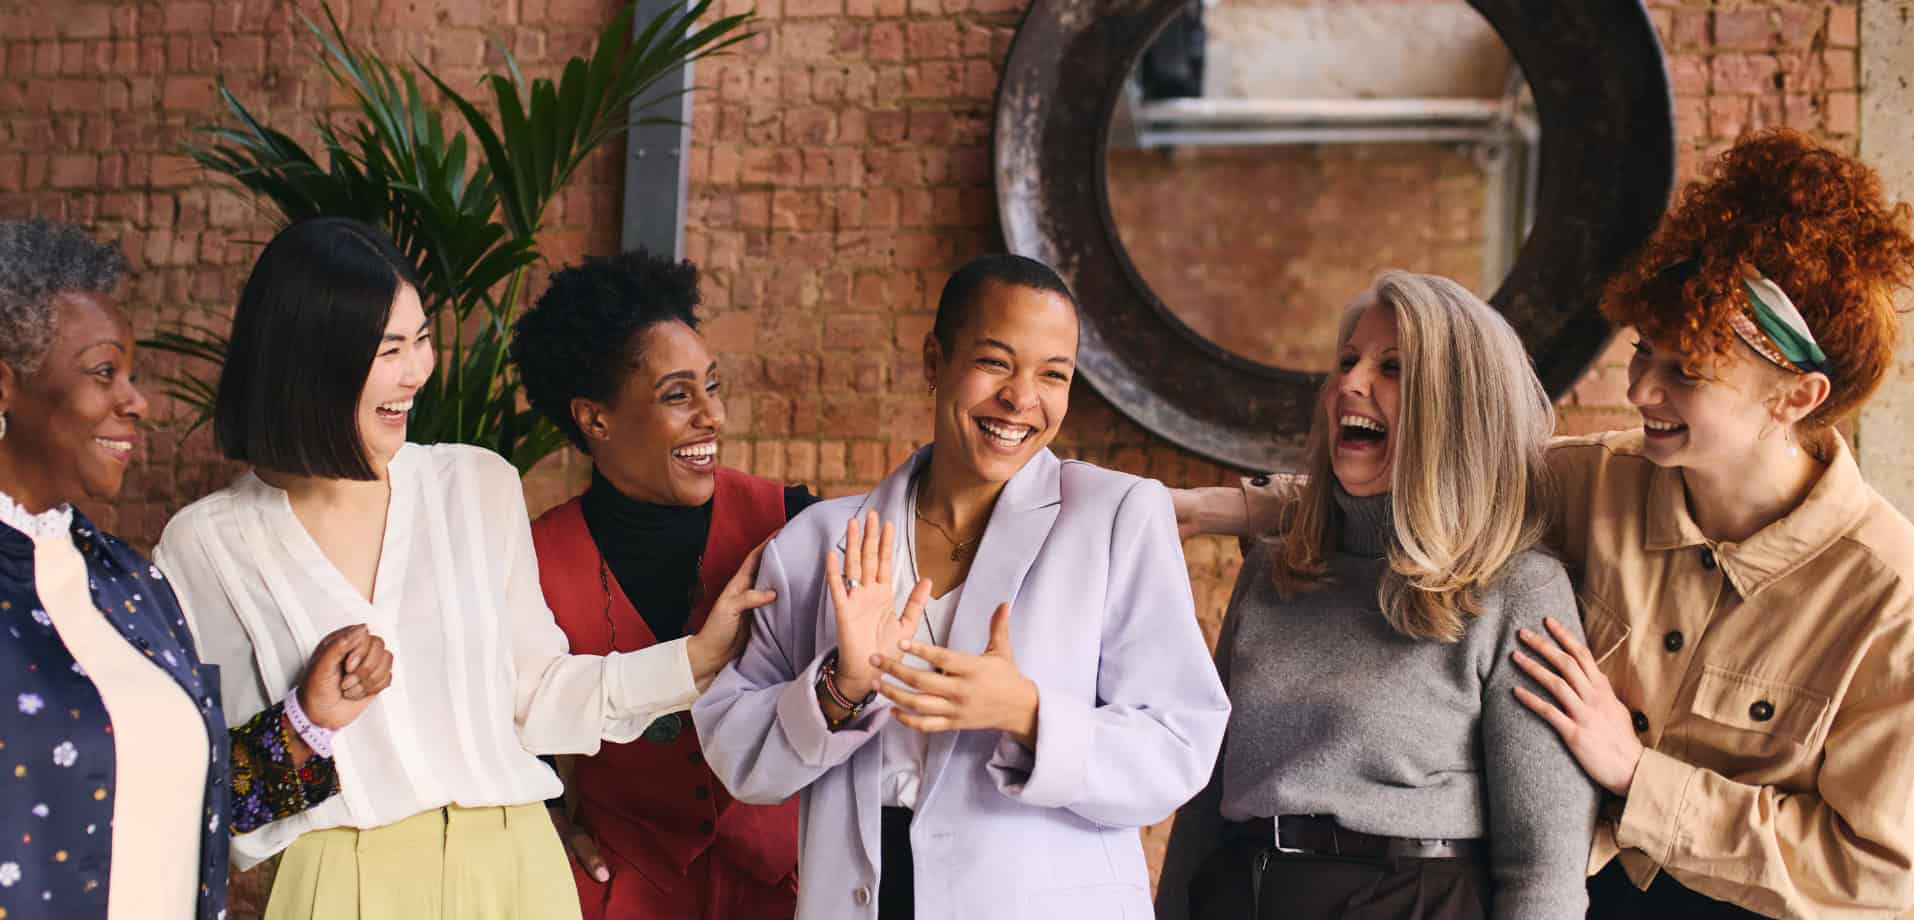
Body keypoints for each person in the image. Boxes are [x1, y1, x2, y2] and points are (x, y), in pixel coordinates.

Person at [1174, 130, 1914, 918]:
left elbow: (1882, 873)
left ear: (1795, 398)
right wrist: (1218, 509)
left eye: (1684, 373)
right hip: (1585, 890)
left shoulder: (1890, 597)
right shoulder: (1593, 479)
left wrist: (1640, 776)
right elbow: (1427, 480)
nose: (1641, 392)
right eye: (1644, 352)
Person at [152, 218, 772, 920]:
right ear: (313, 358)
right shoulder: (205, 545)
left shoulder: (476, 487)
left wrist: (694, 660)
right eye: (390, 349)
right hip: (341, 881)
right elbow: (218, 799)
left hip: (516, 870)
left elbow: (539, 699)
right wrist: (308, 719)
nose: (418, 371)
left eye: (420, 341)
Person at [693, 253, 1231, 920]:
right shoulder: (819, 542)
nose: (1021, 398)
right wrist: (841, 687)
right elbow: (737, 755)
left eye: (1053, 375)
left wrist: (1028, 713)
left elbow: (1179, 746)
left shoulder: (1117, 516)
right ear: (933, 361)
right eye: (996, 362)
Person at [1155, 271, 1598, 920]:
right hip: (1239, 895)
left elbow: (1544, 871)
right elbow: (1202, 808)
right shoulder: (1273, 571)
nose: (1349, 384)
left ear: (1457, 407)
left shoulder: (1519, 589)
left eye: (1392, 366)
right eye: (1346, 361)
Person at [0, 219, 387, 920]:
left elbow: (200, 803)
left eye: (133, 376)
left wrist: (310, 721)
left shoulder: (129, 585)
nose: (137, 401)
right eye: (102, 372)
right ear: (6, 386)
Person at [509, 250, 810, 920]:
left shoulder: (793, 522)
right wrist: (542, 819)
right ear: (595, 419)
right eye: (678, 395)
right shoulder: (531, 558)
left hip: (786, 893)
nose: (713, 416)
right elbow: (494, 731)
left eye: (713, 386)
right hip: (621, 893)